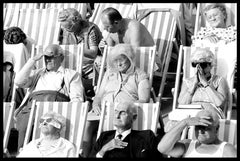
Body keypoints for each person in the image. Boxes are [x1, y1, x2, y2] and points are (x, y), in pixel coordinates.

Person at [82, 44, 150, 157]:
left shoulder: (140, 75)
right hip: (103, 110)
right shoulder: (109, 73)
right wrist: (96, 104)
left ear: (130, 59)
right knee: (88, 122)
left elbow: (144, 99)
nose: (118, 64)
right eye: (115, 61)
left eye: (121, 61)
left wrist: (125, 106)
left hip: (122, 112)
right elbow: (99, 95)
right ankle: (84, 155)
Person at [14, 44, 84, 150]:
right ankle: (23, 152)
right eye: (45, 57)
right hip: (33, 107)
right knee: (26, 123)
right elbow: (18, 81)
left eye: (51, 57)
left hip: (56, 109)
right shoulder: (37, 73)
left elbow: (77, 99)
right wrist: (33, 60)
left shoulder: (71, 74)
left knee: (51, 128)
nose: (47, 60)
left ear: (61, 57)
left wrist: (70, 113)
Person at [58, 8, 103, 98]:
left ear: (76, 22)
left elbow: (93, 53)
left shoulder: (90, 30)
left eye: (68, 27)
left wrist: (77, 49)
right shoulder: (68, 31)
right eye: (64, 27)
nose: (66, 30)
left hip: (89, 64)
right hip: (73, 62)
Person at [90, 102, 161, 158]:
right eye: (116, 111)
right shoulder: (104, 136)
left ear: (134, 117)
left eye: (123, 113)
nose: (117, 116)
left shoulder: (146, 137)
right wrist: (103, 150)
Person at [157, 109, 237, 157]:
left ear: (216, 129)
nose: (200, 131)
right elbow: (162, 148)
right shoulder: (187, 145)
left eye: (205, 127)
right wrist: (184, 123)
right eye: (198, 127)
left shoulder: (226, 149)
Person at [177, 48, 229, 118]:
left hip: (210, 115)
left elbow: (220, 103)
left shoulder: (219, 80)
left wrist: (205, 83)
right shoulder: (187, 82)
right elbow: (182, 104)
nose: (199, 68)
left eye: (203, 64)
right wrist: (193, 85)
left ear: (211, 65)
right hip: (189, 115)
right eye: (195, 64)